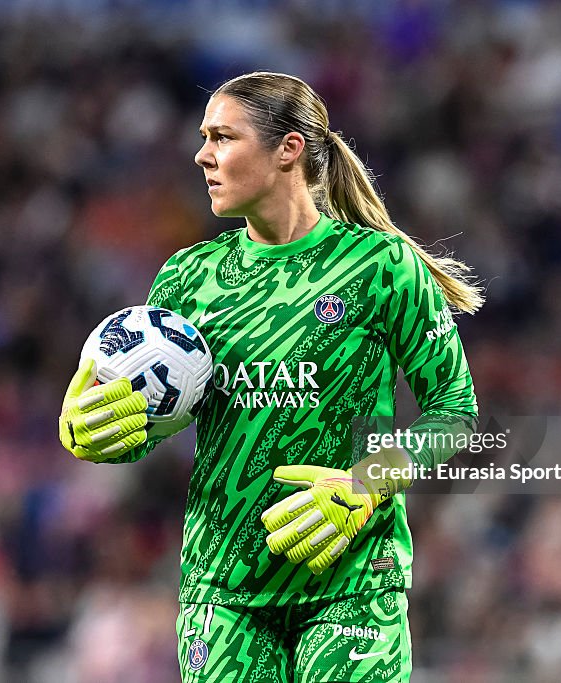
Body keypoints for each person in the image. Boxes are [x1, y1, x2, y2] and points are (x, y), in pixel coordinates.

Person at [58, 72, 482, 683]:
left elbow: (455, 415)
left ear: (288, 149)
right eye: (204, 137)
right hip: (223, 592)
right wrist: (98, 433)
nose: (202, 154)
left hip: (352, 586)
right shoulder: (188, 278)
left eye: (223, 137)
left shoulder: (381, 266)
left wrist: (366, 483)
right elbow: (153, 424)